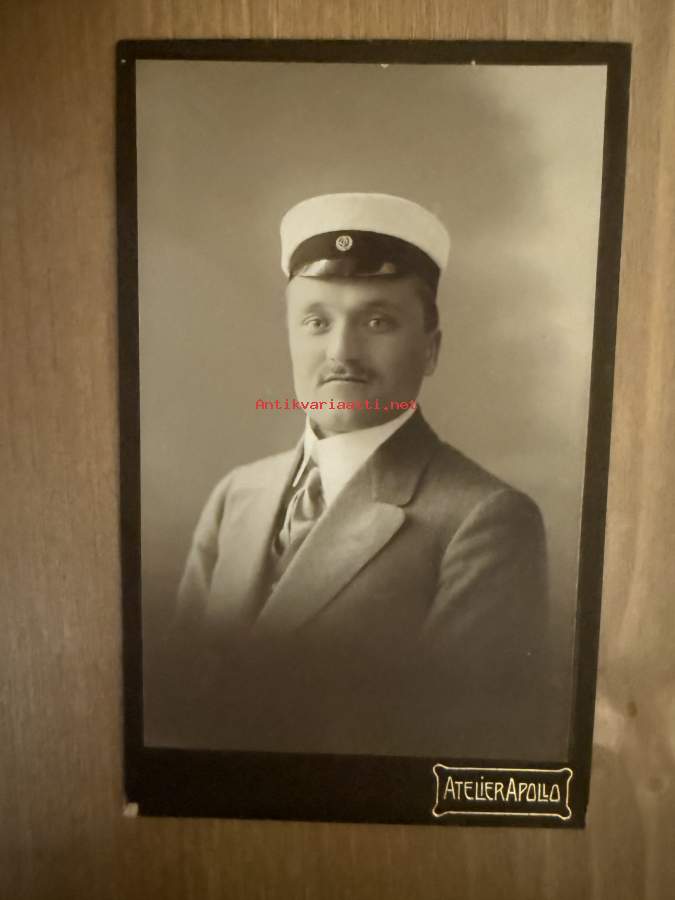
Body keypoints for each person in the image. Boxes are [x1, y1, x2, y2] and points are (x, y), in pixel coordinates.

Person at [150, 192, 559, 759]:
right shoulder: (237, 495)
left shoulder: (484, 520)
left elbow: (457, 744)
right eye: (316, 322)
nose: (341, 352)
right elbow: (172, 713)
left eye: (377, 321)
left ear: (431, 350)